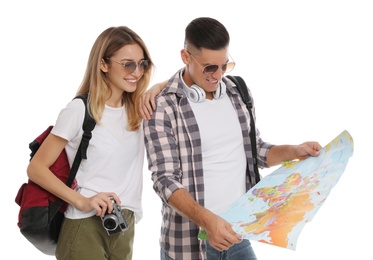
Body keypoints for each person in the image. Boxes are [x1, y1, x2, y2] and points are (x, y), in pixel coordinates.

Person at [142, 17, 322, 260]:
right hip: (189, 245)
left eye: (224, 65)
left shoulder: (238, 92)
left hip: (238, 234)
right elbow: (164, 180)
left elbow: (254, 150)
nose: (218, 75)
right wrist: (209, 222)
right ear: (186, 57)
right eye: (209, 68)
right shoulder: (162, 105)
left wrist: (294, 150)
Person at [27, 26, 159, 260]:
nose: (137, 72)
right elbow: (36, 168)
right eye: (128, 64)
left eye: (142, 64)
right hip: (85, 224)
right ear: (103, 64)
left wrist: (156, 88)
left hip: (124, 224)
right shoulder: (79, 110)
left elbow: (183, 82)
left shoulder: (138, 110)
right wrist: (82, 200)